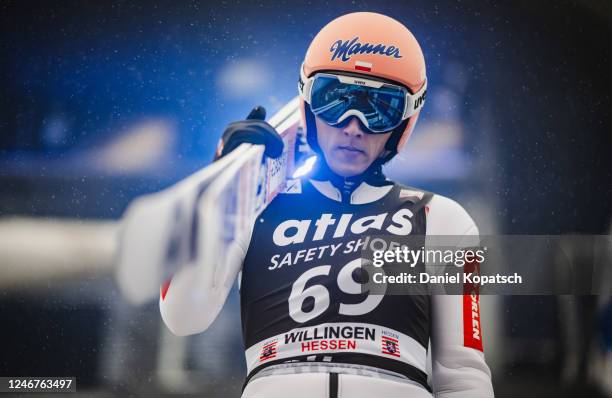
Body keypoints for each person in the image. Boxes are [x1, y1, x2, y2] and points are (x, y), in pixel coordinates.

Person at [159, 12, 494, 397]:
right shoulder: (257, 209)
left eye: (378, 108)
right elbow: (183, 317)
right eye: (335, 100)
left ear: (405, 120)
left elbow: (462, 372)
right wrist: (220, 192)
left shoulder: (440, 219)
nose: (353, 125)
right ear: (307, 102)